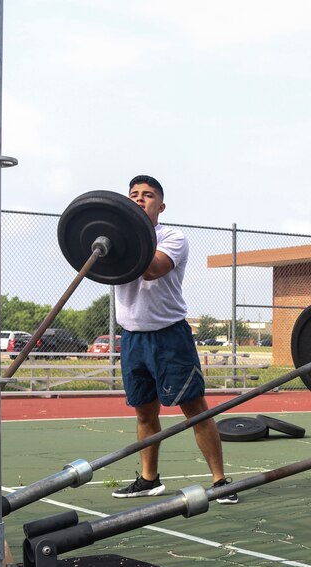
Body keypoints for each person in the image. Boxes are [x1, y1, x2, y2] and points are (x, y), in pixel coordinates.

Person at [110, 175, 235, 503]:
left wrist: (126, 239)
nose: (140, 199)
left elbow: (152, 268)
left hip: (169, 338)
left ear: (161, 206)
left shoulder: (172, 238)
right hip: (133, 338)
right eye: (134, 195)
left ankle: (221, 482)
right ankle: (149, 479)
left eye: (148, 195)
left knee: (195, 410)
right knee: (144, 413)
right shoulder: (112, 239)